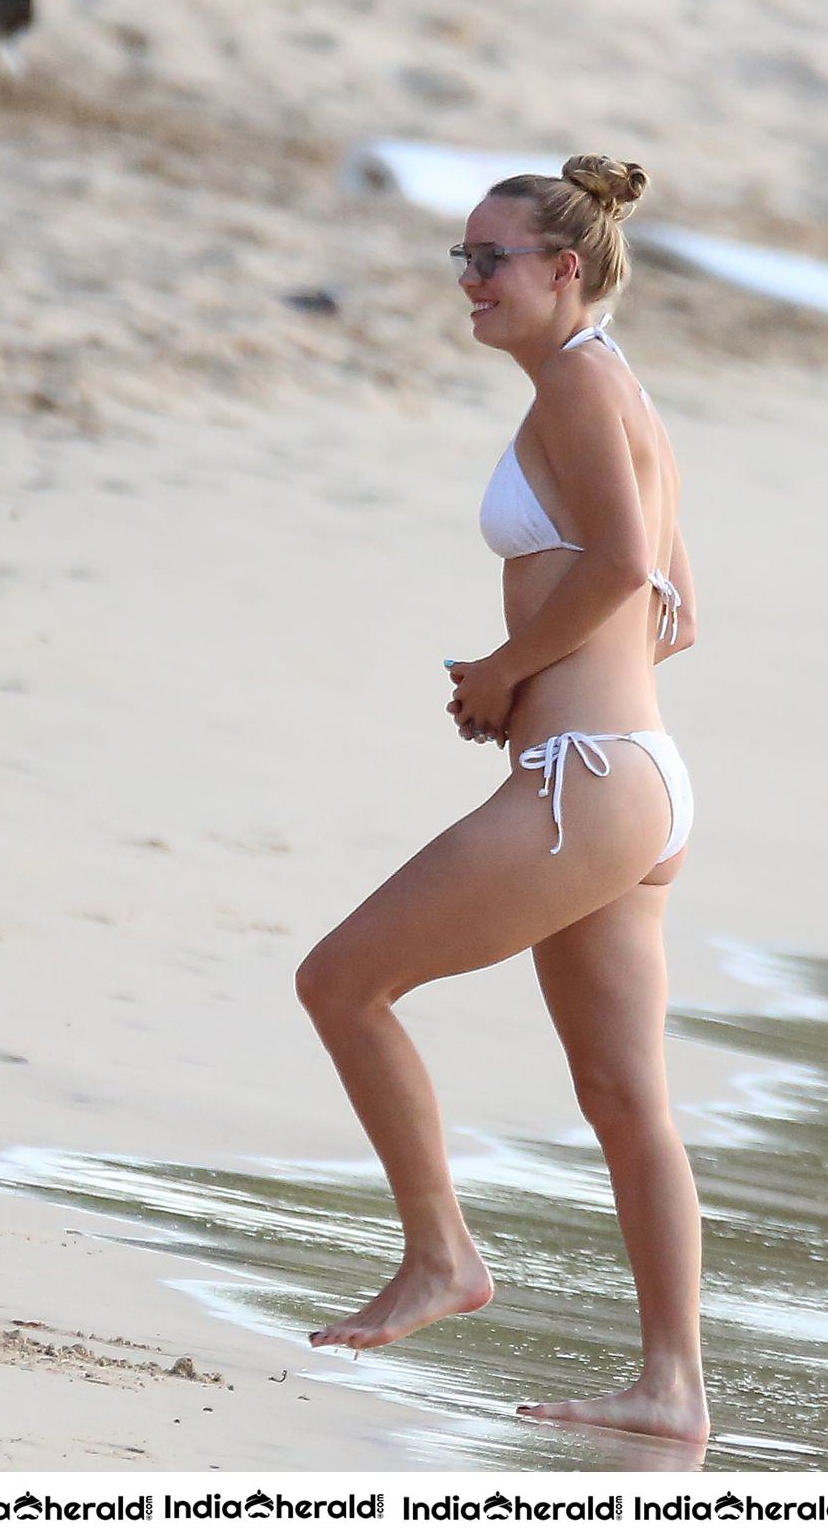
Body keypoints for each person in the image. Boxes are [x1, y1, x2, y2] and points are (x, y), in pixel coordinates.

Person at [295, 155, 708, 1444]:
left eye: (488, 260)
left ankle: (441, 1259)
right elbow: (678, 616)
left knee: (341, 983)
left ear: (562, 269)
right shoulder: (612, 387)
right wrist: (548, 682)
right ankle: (669, 1388)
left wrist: (505, 673)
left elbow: (631, 571)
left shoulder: (582, 381)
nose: (466, 282)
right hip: (636, 780)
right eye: (459, 260)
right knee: (625, 1097)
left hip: (584, 782)